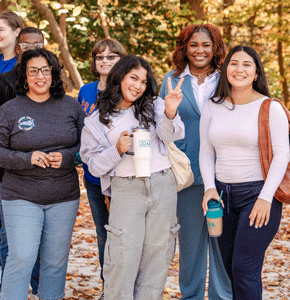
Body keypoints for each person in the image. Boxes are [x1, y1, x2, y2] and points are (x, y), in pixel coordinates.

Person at [80, 54, 185, 299]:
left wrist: (170, 113)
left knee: (158, 256)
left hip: (162, 184)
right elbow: (93, 165)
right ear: (119, 77)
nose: (138, 86)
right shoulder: (96, 121)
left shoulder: (156, 105)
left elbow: (173, 135)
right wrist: (116, 150)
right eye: (133, 78)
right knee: (121, 257)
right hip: (125, 189)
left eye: (143, 82)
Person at [0, 48, 85, 300]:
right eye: (33, 71)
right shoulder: (10, 110)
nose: (40, 76)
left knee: (54, 262)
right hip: (20, 194)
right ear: (25, 75)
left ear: (54, 74)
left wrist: (66, 157)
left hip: (63, 196)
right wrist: (26, 158)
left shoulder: (72, 107)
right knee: (22, 256)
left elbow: (87, 147)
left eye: (46, 70)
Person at [199, 45, 289, 299]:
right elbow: (206, 152)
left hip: (257, 195)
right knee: (232, 270)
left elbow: (282, 154)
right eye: (234, 63)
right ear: (226, 69)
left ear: (256, 72)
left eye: (246, 64)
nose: (239, 69)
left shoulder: (270, 107)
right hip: (221, 199)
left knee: (244, 269)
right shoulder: (213, 106)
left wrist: (265, 198)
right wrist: (209, 188)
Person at [160, 24, 231, 299]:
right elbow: (162, 128)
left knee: (221, 243)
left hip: (225, 174)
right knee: (190, 246)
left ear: (215, 48)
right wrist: (168, 110)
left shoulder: (228, 79)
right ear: (184, 48)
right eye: (193, 45)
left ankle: (221, 296)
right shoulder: (171, 79)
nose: (199, 50)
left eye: (206, 44)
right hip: (187, 176)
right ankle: (189, 296)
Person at [0, 27, 45, 298]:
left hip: (45, 173)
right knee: (9, 232)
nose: (31, 49)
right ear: (18, 49)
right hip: (8, 170)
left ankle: (38, 287)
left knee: (41, 236)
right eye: (25, 46)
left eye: (37, 44)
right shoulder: (1, 82)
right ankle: (11, 286)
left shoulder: (53, 80)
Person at [78, 39, 127, 298]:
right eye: (100, 57)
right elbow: (80, 130)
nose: (105, 61)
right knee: (102, 231)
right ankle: (108, 286)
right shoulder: (85, 91)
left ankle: (125, 286)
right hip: (94, 175)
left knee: (124, 232)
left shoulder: (128, 89)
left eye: (111, 57)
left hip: (122, 174)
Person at [0, 10, 24, 288]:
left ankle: (12, 267)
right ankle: (4, 265)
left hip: (8, 148)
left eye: (1, 29)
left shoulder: (23, 67)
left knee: (6, 209)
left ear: (16, 32)